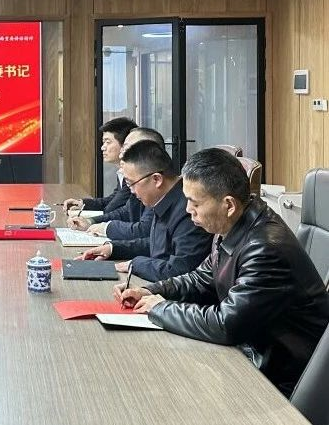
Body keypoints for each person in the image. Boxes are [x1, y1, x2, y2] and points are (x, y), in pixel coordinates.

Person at [114, 148, 329, 396]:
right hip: (252, 352)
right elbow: (201, 278)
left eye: (195, 203)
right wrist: (151, 291)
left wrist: (160, 308)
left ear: (228, 204)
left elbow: (226, 324)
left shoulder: (265, 248)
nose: (188, 210)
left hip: (281, 377)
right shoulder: (232, 224)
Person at [80, 140, 212, 281]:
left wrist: (135, 264)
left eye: (131, 183)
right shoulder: (166, 198)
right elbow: (159, 245)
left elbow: (180, 271)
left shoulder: (189, 209)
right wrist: (113, 248)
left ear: (157, 179)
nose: (131, 191)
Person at [69, 127, 165, 239]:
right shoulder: (138, 179)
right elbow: (126, 211)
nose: (121, 153)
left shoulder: (154, 184)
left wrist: (106, 229)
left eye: (127, 148)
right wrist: (91, 221)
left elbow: (144, 231)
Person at [63, 117, 138, 214]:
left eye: (108, 142)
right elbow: (113, 199)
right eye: (103, 142)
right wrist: (82, 204)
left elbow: (111, 210)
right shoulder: (121, 172)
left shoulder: (134, 174)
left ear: (126, 144)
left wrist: (86, 217)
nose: (103, 147)